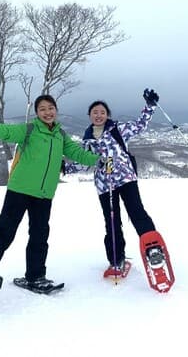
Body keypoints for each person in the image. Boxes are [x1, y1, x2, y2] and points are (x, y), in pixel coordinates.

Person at [0, 94, 102, 294]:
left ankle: (35, 277)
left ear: (56, 110)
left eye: (50, 108)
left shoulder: (60, 135)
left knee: (39, 235)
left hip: (44, 194)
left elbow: (78, 153)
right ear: (37, 113)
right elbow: (6, 131)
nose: (47, 112)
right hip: (19, 190)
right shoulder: (29, 130)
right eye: (42, 109)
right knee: (4, 232)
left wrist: (98, 160)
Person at [66, 88, 163, 277]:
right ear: (89, 116)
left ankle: (153, 249)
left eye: (102, 112)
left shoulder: (117, 128)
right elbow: (84, 164)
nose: (99, 115)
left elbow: (139, 125)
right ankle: (116, 259)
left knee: (137, 213)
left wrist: (149, 106)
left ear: (107, 115)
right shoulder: (87, 141)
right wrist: (64, 168)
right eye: (95, 112)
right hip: (104, 185)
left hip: (126, 179)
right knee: (112, 222)